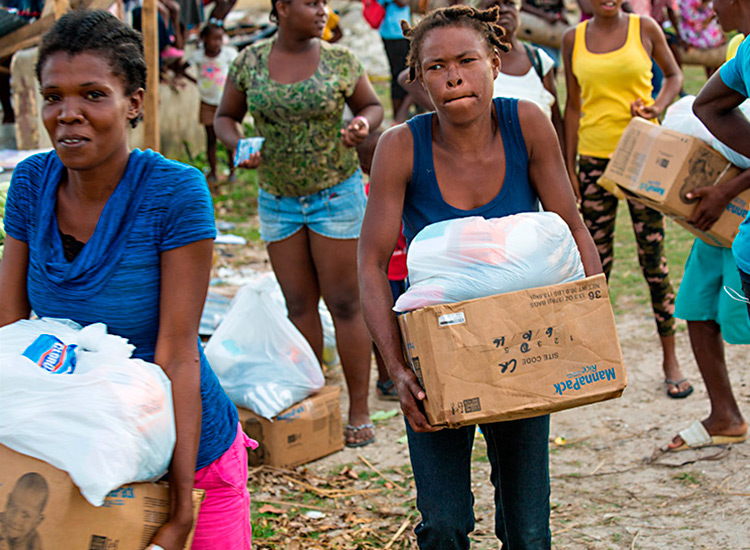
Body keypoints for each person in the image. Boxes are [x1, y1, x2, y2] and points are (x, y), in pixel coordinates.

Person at [0, 11, 254, 550]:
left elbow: (178, 350)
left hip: (189, 456)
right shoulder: (30, 184)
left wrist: (181, 507)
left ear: (133, 102)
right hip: (81, 446)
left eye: (93, 95)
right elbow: (9, 327)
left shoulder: (173, 193)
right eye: (54, 97)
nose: (69, 115)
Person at [358, 6, 602, 548]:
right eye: (437, 66)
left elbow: (571, 226)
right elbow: (371, 265)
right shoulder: (401, 146)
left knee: (529, 526)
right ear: (419, 78)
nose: (454, 76)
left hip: (522, 344)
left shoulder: (527, 124)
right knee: (444, 525)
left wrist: (592, 324)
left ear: (495, 63)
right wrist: (398, 370)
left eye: (467, 60)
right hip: (436, 360)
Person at [215, 0, 384, 447]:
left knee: (346, 303)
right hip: (278, 200)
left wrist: (363, 124)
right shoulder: (249, 61)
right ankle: (320, 403)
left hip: (335, 194)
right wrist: (239, 145)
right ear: (283, 7)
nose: (322, 10)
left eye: (324, 3)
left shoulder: (339, 60)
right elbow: (224, 118)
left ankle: (359, 409)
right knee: (299, 305)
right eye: (312, 3)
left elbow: (371, 104)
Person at [562, 0, 691, 400]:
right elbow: (573, 106)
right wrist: (569, 168)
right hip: (594, 160)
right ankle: (595, 360)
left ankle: (670, 358)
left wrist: (658, 104)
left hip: (642, 157)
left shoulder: (645, 28)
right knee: (596, 262)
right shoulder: (573, 39)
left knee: (653, 259)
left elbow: (673, 76)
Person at [666, 0, 750, 450]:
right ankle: (725, 413)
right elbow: (708, 109)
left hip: (732, 204)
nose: (708, 7)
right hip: (724, 220)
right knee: (697, 307)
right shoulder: (742, 49)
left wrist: (727, 191)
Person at [395, 0, 565, 148]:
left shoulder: (539, 60)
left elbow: (556, 119)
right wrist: (447, 111)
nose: (503, 9)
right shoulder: (471, 66)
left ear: (495, 64)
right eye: (493, 5)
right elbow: (407, 78)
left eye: (510, 3)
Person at [185, 22, 238, 188]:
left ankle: (232, 171)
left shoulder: (228, 54)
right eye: (213, 39)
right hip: (207, 102)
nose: (216, 43)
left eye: (219, 39)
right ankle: (214, 172)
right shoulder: (198, 56)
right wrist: (197, 82)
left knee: (228, 138)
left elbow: (238, 70)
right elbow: (182, 67)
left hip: (225, 103)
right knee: (211, 139)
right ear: (203, 39)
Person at [380, 0, 412, 120]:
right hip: (395, 32)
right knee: (400, 75)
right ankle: (399, 116)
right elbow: (402, 2)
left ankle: (401, 114)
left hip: (394, 31)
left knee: (400, 73)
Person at [0, 473, 48, 550]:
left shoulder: (34, 543)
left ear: (38, 521)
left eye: (26, 515)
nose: (15, 519)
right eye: (13, 508)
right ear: (8, 502)